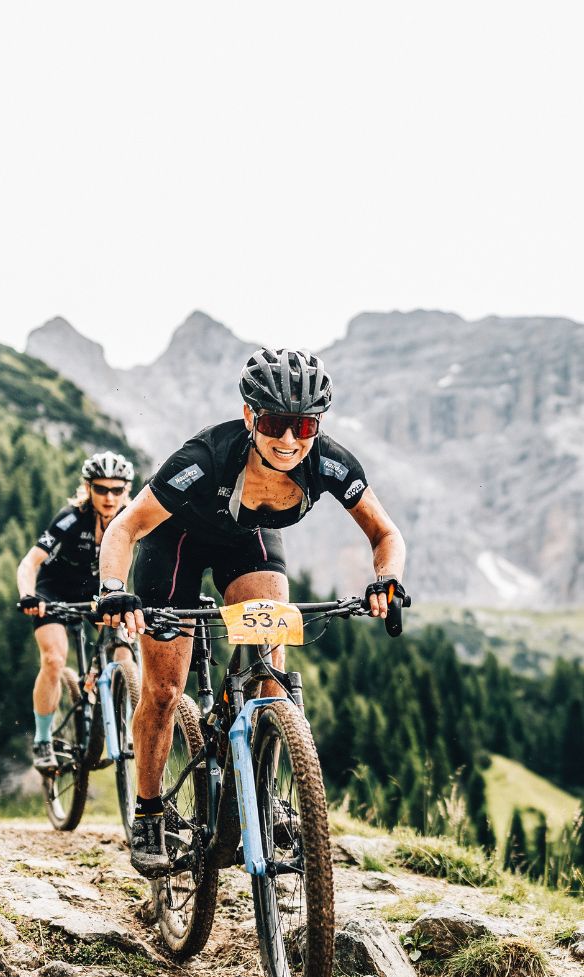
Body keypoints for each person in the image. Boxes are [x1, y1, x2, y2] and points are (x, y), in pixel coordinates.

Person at [95, 350, 406, 876]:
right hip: (176, 542)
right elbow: (126, 526)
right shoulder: (204, 459)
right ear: (249, 417)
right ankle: (148, 813)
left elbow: (385, 533)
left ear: (319, 424)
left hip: (248, 540)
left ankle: (265, 783)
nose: (289, 439)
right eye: (275, 423)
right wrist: (111, 588)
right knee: (165, 690)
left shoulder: (328, 461)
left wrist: (388, 579)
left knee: (271, 670)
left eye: (304, 424)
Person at [15, 451, 136, 770]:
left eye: (117, 489)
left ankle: (126, 724)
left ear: (127, 490)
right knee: (54, 659)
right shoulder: (71, 518)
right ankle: (42, 740)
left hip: (100, 594)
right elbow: (30, 562)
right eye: (101, 489)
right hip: (54, 592)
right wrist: (28, 595)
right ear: (88, 488)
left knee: (124, 652)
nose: (109, 497)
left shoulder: (132, 518)